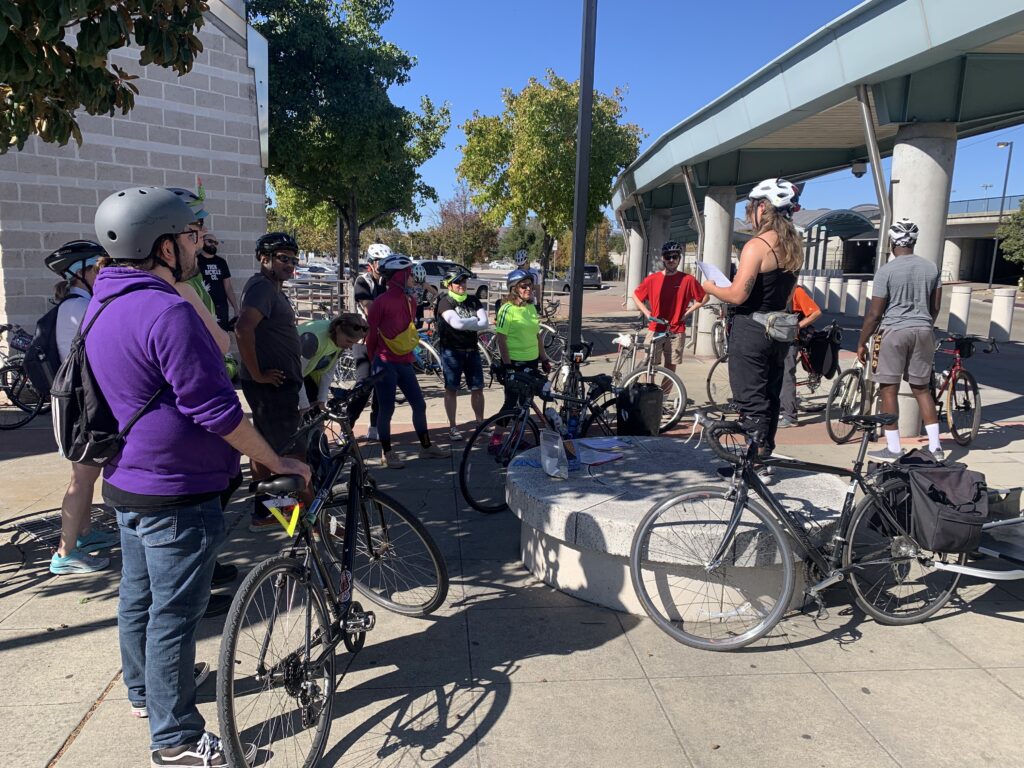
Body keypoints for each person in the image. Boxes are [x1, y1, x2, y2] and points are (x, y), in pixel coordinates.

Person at [89, 186, 309, 767]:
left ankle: (146, 693)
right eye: (191, 236)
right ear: (164, 246)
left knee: (139, 599)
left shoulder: (104, 299)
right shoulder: (167, 311)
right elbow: (217, 411)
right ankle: (177, 739)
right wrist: (277, 459)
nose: (199, 244)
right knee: (175, 616)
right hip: (176, 490)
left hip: (130, 481)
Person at [701, 178, 804, 469]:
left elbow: (737, 294)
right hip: (777, 331)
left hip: (751, 330)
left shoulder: (757, 246)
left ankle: (751, 464)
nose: (749, 213)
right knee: (770, 396)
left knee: (750, 399)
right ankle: (762, 456)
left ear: (762, 207)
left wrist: (710, 287)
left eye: (750, 207)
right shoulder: (792, 245)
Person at [45, 241, 118, 575]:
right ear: (82, 273)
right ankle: (65, 552)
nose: (103, 272)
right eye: (98, 268)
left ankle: (84, 534)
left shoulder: (80, 303)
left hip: (82, 402)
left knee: (86, 476)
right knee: (81, 479)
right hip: (81, 406)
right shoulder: (79, 307)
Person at [235, 232, 306, 532]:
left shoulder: (271, 288)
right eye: (283, 258)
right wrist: (257, 374)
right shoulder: (262, 287)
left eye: (293, 258)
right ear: (265, 258)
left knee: (264, 451)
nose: (290, 264)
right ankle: (301, 518)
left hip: (275, 386)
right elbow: (242, 329)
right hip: (271, 388)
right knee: (292, 454)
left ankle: (266, 513)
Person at [856, 218, 943, 462]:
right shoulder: (932, 268)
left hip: (893, 331)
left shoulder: (886, 271)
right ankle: (935, 447)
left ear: (892, 242)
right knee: (922, 389)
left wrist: (863, 341)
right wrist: (923, 322)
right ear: (914, 241)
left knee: (888, 389)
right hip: (923, 330)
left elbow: (875, 313)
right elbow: (935, 306)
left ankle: (893, 447)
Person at [366, 254, 450, 468]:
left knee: (419, 404)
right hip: (384, 362)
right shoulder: (379, 303)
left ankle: (425, 447)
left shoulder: (410, 300)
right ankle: (387, 453)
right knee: (387, 409)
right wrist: (372, 362)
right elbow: (371, 337)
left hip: (404, 360)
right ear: (399, 276)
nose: (413, 278)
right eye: (409, 275)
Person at [493, 270, 552, 446]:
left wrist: (544, 358)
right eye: (523, 286)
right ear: (514, 288)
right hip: (515, 363)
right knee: (510, 404)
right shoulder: (506, 309)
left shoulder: (531, 308)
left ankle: (516, 438)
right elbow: (501, 339)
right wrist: (507, 365)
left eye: (530, 285)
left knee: (525, 402)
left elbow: (537, 336)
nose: (528, 289)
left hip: (532, 361)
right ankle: (495, 441)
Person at [633, 241, 707, 377]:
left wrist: (688, 312)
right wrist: (647, 312)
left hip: (676, 330)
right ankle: (649, 395)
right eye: (668, 257)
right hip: (655, 328)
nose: (671, 260)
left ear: (679, 258)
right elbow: (635, 295)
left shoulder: (688, 280)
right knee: (648, 365)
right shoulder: (652, 279)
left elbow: (704, 298)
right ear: (662, 258)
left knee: (670, 367)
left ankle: (665, 396)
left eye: (675, 256)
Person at [435, 270, 488, 440]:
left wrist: (469, 324)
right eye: (458, 283)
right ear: (449, 285)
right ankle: (453, 426)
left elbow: (485, 324)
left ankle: (480, 422)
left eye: (464, 282)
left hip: (472, 350)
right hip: (452, 351)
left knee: (478, 389)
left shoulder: (473, 300)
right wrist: (474, 322)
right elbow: (455, 324)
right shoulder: (445, 302)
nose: (462, 285)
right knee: (451, 389)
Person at [351, 244, 390, 439]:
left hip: (382, 341)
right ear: (371, 263)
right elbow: (368, 307)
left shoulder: (387, 281)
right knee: (363, 386)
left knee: (381, 385)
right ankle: (347, 426)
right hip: (363, 340)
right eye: (379, 262)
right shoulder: (362, 281)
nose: (382, 266)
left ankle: (374, 426)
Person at [298, 313, 369, 411]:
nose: (350, 347)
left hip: (306, 373)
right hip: (283, 372)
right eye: (348, 341)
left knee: (316, 411)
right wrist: (304, 405)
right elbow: (296, 375)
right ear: (338, 329)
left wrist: (322, 400)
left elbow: (328, 371)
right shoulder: (312, 340)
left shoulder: (339, 340)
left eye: (354, 343)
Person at [779, 284, 822, 427]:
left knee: (786, 375)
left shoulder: (795, 290)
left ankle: (790, 416)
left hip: (790, 340)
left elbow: (816, 312)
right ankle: (781, 406)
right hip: (776, 338)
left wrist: (797, 326)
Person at [196, 232, 238, 330]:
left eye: (215, 243)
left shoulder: (221, 262)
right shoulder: (195, 261)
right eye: (210, 241)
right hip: (203, 307)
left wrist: (235, 308)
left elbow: (228, 287)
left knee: (221, 337)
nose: (213, 244)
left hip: (221, 308)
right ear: (202, 241)